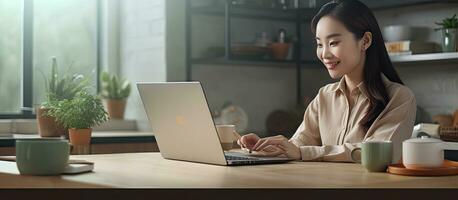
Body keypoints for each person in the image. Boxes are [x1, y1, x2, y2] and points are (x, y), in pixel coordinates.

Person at [237, 0, 416, 162]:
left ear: (365, 41)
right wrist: (265, 147)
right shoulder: (324, 96)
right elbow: (299, 144)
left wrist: (304, 153)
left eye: (333, 43)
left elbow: (377, 153)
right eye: (320, 44)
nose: (324, 54)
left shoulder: (399, 98)